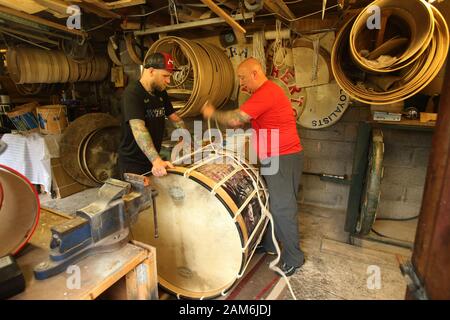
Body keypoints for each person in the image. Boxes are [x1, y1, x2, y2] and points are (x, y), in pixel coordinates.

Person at [201, 57, 305, 276]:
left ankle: (294, 258)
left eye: (242, 77)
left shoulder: (268, 92)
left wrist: (212, 113)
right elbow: (243, 121)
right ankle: (268, 244)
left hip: (282, 155)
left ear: (255, 73)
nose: (241, 83)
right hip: (274, 155)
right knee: (269, 199)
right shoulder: (262, 94)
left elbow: (235, 119)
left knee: (282, 207)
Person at [118, 52, 187, 178]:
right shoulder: (132, 94)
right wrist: (156, 160)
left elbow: (174, 117)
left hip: (152, 158)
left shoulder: (160, 92)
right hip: (133, 163)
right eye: (165, 76)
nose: (168, 80)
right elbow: (139, 129)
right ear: (151, 71)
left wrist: (185, 137)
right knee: (140, 197)